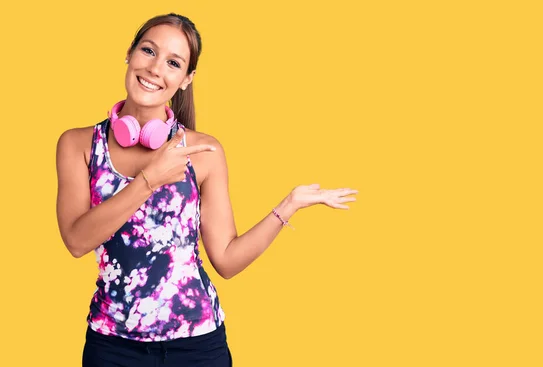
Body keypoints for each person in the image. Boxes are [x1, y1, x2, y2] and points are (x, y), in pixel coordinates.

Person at [55, 12, 358, 367]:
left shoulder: (204, 152)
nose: (155, 69)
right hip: (112, 347)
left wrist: (288, 205)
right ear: (130, 53)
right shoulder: (79, 145)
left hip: (198, 346)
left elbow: (226, 261)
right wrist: (149, 180)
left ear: (186, 79)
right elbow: (76, 240)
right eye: (148, 51)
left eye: (173, 62)